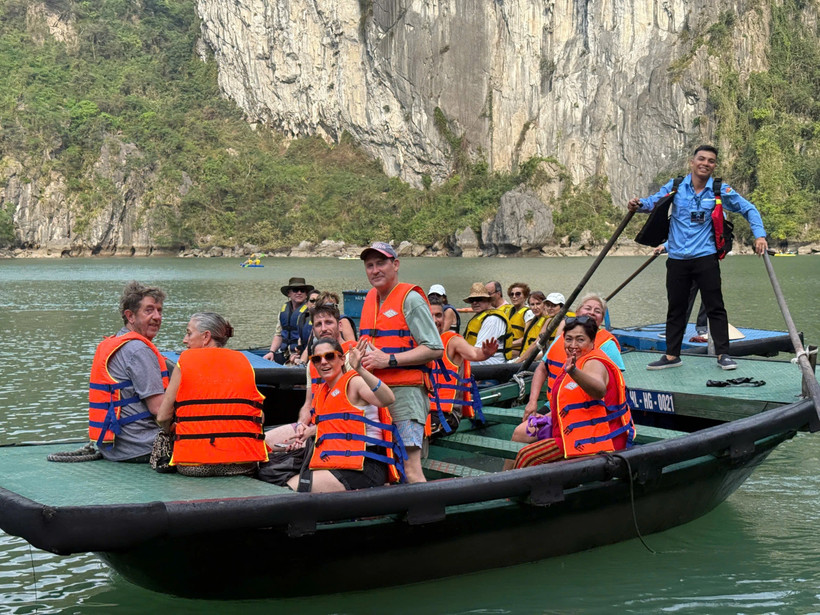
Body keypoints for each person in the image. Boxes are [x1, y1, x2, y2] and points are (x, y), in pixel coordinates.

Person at [628, 145, 768, 371]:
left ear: (714, 166)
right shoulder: (675, 186)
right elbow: (653, 201)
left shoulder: (719, 189)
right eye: (701, 159)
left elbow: (749, 209)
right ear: (692, 162)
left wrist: (760, 235)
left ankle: (723, 354)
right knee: (676, 308)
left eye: (710, 161)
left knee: (715, 307)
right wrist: (638, 204)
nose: (705, 163)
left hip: (705, 257)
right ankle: (672, 356)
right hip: (677, 259)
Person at [358, 241, 443, 484]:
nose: (375, 270)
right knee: (382, 461)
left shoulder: (410, 299)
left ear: (395, 264)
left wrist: (389, 360)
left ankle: (426, 515)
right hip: (375, 395)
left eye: (381, 263)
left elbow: (435, 348)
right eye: (370, 265)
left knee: (410, 465)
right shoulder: (370, 299)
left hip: (406, 394)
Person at [508, 316, 633, 468]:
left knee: (527, 456)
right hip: (574, 433)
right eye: (568, 339)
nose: (573, 345)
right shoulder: (576, 360)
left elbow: (599, 390)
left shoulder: (594, 362)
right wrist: (547, 416)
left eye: (580, 340)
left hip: (595, 440)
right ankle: (503, 485)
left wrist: (573, 371)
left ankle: (510, 490)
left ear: (592, 341)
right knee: (523, 436)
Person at [286, 338, 406, 492]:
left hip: (366, 466)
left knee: (295, 486)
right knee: (287, 475)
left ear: (342, 359)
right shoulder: (324, 393)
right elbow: (334, 426)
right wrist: (307, 431)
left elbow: (388, 399)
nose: (323, 362)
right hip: (340, 463)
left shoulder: (354, 382)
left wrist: (360, 369)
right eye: (317, 359)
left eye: (329, 356)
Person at [156, 313, 267, 477]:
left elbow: (163, 417)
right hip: (242, 465)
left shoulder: (185, 361)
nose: (184, 340)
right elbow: (259, 417)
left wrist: (170, 430)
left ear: (206, 336)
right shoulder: (244, 361)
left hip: (193, 466)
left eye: (189, 333)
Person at [89, 281, 168, 462]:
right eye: (149, 310)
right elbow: (159, 410)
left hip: (113, 446)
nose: (157, 317)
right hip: (141, 446)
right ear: (130, 316)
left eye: (159, 310)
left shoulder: (116, 342)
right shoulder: (138, 350)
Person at [264, 300, 357, 449]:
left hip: (341, 429)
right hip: (314, 425)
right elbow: (308, 404)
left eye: (329, 323)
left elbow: (350, 411)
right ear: (313, 330)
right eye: (318, 325)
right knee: (263, 443)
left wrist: (312, 431)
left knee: (296, 447)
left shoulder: (353, 357)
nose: (324, 328)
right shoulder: (312, 363)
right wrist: (302, 424)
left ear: (340, 326)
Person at [523, 293, 624, 422]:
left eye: (597, 311)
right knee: (525, 426)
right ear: (577, 312)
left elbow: (611, 387)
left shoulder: (607, 345)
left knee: (522, 433)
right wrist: (532, 401)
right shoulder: (562, 338)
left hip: (586, 409)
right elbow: (542, 369)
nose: (591, 313)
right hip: (555, 403)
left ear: (602, 319)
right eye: (587, 308)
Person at [426, 298, 497, 435]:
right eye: (430, 316)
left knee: (411, 438)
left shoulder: (453, 341)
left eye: (439, 315)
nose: (435, 320)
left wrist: (484, 353)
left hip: (446, 415)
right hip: (422, 412)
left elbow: (474, 353)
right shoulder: (416, 343)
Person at [264, 276, 314, 365]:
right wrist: (271, 352)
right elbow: (278, 335)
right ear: (289, 293)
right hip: (284, 352)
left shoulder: (310, 312)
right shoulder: (283, 311)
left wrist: (301, 355)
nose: (299, 293)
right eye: (295, 290)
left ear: (306, 294)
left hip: (300, 354)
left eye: (302, 290)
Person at [462, 282, 511, 364]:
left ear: (488, 300)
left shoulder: (492, 320)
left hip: (490, 363)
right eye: (472, 300)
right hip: (479, 359)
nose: (474, 303)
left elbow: (480, 351)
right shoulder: (481, 316)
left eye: (479, 299)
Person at [507, 282, 533, 357]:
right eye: (512, 294)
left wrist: (506, 345)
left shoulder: (529, 313)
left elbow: (525, 339)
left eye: (518, 294)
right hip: (507, 349)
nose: (514, 297)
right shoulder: (509, 311)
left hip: (518, 351)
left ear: (525, 296)